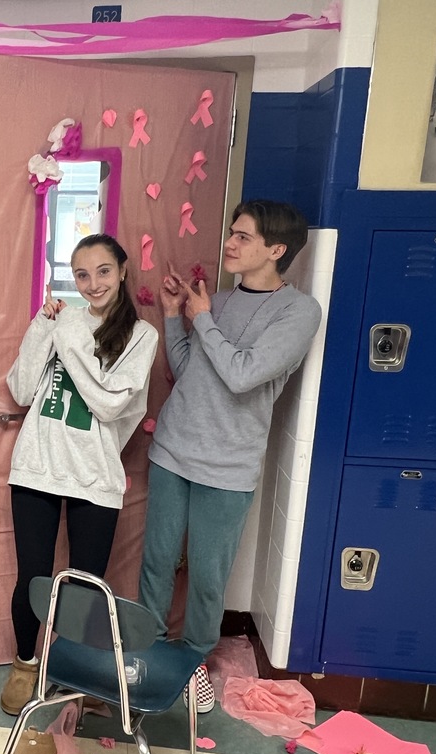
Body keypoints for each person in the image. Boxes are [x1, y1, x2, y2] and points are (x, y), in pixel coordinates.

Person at [138, 200, 321, 714]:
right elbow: (188, 368)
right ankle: (150, 656)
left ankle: (194, 660)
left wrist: (203, 321)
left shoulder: (298, 311)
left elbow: (243, 375)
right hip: (173, 450)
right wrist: (179, 318)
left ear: (276, 250)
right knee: (157, 562)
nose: (230, 244)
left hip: (228, 465)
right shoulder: (214, 302)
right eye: (232, 234)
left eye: (243, 237)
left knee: (207, 575)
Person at [0, 233, 158, 716]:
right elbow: (23, 390)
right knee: (33, 575)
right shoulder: (59, 321)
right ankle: (26, 665)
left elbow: (111, 405)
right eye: (82, 274)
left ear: (123, 270)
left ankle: (82, 672)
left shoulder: (141, 336)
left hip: (95, 473)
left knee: (88, 584)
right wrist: (38, 332)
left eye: (103, 271)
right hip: (36, 467)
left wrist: (67, 341)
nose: (92, 284)